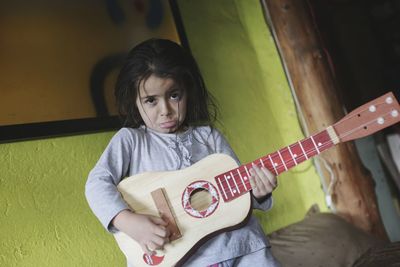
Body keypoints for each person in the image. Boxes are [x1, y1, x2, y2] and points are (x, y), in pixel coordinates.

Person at [85, 38, 281, 267]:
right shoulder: (131, 141)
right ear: (134, 100)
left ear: (188, 89)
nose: (165, 111)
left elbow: (239, 192)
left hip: (243, 247)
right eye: (150, 100)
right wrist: (129, 222)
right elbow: (96, 183)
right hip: (185, 260)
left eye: (174, 95)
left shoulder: (209, 137)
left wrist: (259, 192)